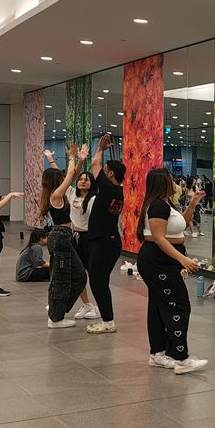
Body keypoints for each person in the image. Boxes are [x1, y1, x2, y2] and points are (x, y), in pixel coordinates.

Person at [136, 168, 208, 373]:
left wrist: (192, 204)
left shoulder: (166, 203)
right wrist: (183, 259)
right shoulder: (158, 205)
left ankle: (158, 353)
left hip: (163, 260)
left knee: (159, 307)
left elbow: (181, 226)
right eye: (170, 179)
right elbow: (159, 238)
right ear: (163, 182)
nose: (175, 183)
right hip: (159, 261)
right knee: (178, 306)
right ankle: (180, 357)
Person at [40, 143, 89, 328]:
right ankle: (55, 317)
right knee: (61, 278)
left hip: (64, 237)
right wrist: (72, 157)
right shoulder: (56, 195)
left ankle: (56, 308)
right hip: (61, 237)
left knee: (79, 276)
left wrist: (54, 159)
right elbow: (69, 176)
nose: (64, 179)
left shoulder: (56, 193)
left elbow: (71, 175)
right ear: (56, 182)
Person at [84, 134, 125, 334]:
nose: (103, 170)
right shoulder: (117, 190)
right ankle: (107, 318)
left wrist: (100, 149)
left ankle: (108, 321)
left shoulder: (109, 189)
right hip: (108, 241)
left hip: (104, 242)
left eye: (106, 169)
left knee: (98, 282)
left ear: (109, 173)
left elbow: (94, 164)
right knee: (100, 281)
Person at [67, 171, 98, 320]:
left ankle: (99, 305)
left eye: (87, 180)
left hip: (89, 238)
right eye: (81, 179)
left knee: (94, 274)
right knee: (78, 274)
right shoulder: (72, 194)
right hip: (75, 237)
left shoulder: (93, 199)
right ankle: (86, 305)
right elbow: (67, 178)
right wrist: (52, 160)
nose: (83, 182)